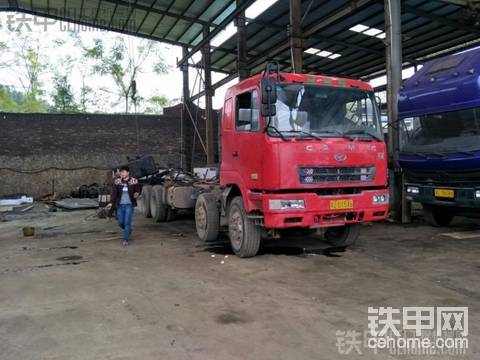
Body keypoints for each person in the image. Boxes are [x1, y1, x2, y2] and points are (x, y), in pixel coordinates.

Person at [107, 166, 140, 246]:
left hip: (129, 205)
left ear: (128, 173)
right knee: (120, 222)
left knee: (127, 222)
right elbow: (114, 194)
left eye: (124, 172)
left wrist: (137, 194)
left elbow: (138, 190)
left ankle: (126, 239)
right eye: (121, 172)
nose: (122, 173)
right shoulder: (117, 181)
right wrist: (111, 202)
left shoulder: (134, 181)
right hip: (120, 205)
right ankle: (128, 231)